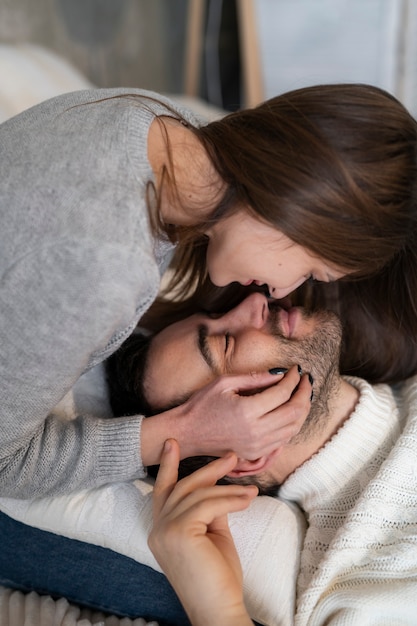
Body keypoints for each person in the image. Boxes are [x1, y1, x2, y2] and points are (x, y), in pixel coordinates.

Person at [1, 85, 322, 500]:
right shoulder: (109, 263)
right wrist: (186, 433)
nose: (276, 293)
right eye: (313, 267)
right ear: (299, 204)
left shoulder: (153, 120)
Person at [107, 292, 416, 625]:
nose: (255, 302)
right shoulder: (354, 589)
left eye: (220, 312)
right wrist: (218, 612)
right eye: (225, 343)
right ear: (244, 456)